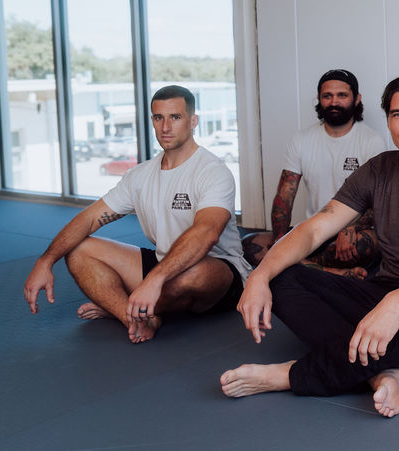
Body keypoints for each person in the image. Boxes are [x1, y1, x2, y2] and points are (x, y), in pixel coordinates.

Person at [220, 72, 399, 418]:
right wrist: (259, 275)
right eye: (398, 114)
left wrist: (396, 305)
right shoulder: (378, 170)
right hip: (383, 292)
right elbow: (316, 229)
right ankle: (388, 370)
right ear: (389, 121)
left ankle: (291, 375)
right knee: (280, 276)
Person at [23, 85, 249, 344]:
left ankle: (128, 302)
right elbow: (88, 218)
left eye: (175, 117)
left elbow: (206, 234)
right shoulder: (140, 176)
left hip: (218, 271)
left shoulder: (212, 171)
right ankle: (134, 316)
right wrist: (46, 260)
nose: (165, 127)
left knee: (194, 275)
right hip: (165, 263)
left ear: (193, 121)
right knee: (77, 250)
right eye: (158, 117)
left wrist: (153, 280)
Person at [243, 69, 385, 277]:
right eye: (327, 96)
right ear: (319, 100)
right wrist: (280, 242)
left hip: (351, 233)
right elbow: (285, 196)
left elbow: (377, 200)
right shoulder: (302, 139)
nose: (334, 102)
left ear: (356, 99)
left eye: (342, 95)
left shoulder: (371, 141)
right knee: (250, 245)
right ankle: (329, 271)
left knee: (364, 246)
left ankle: (294, 265)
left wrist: (350, 229)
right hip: (312, 232)